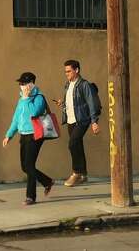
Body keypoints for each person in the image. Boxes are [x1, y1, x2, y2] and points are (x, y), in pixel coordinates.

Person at [2, 71, 54, 205]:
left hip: (35, 135)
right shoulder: (21, 100)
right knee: (25, 167)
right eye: (20, 84)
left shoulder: (39, 98)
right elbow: (16, 119)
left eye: (23, 83)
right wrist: (9, 135)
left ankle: (30, 197)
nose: (21, 86)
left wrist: (27, 98)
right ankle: (47, 181)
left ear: (31, 84)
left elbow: (34, 113)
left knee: (30, 165)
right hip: (24, 135)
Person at [53, 59, 100, 187]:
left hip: (82, 119)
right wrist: (62, 103)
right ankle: (83, 175)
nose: (66, 74)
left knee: (72, 144)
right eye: (65, 71)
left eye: (69, 71)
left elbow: (91, 103)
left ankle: (76, 173)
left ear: (77, 70)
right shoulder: (68, 85)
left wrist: (94, 122)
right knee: (77, 145)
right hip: (71, 120)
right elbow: (72, 102)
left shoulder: (84, 85)